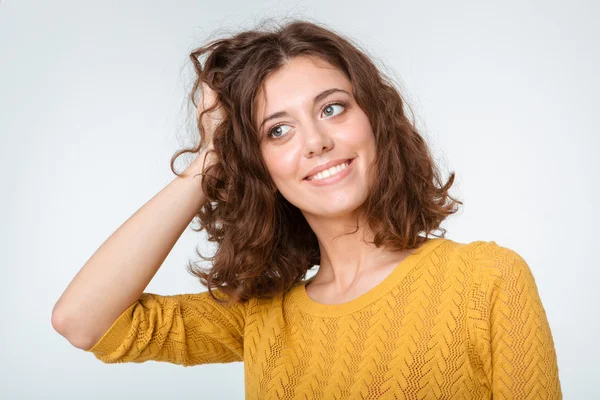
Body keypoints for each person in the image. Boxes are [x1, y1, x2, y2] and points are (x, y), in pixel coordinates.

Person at [51, 19, 562, 399]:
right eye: (278, 130)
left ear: (375, 120)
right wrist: (208, 159)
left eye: (332, 108)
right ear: (259, 166)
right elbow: (83, 321)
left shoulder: (487, 280)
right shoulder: (262, 315)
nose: (316, 141)